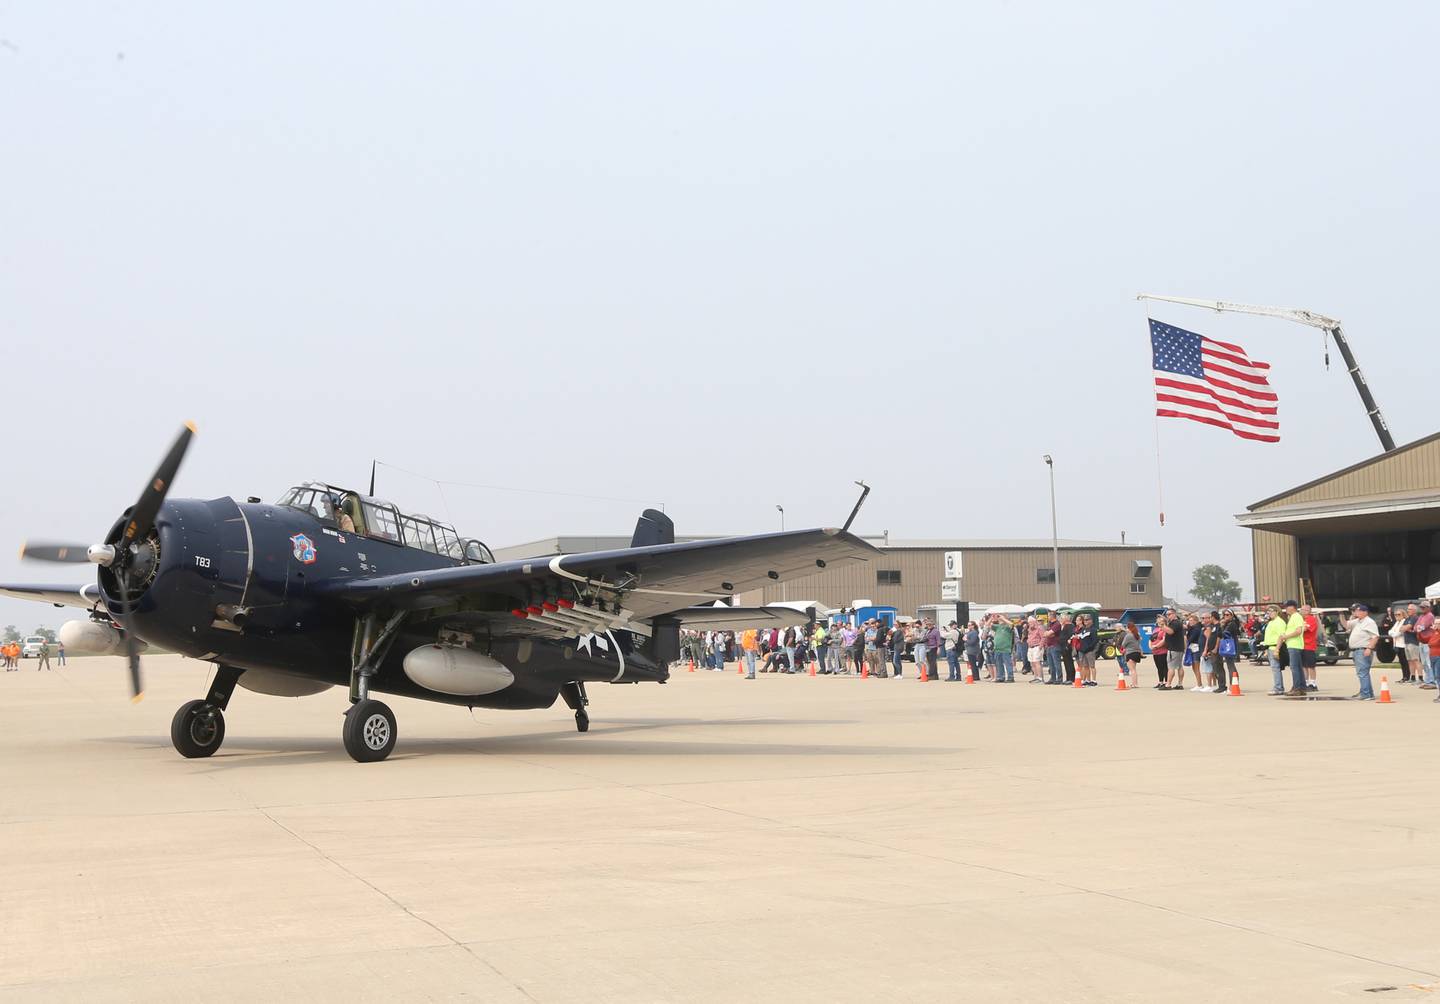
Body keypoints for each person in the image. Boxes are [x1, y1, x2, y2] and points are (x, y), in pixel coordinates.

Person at [1338, 604, 1378, 700]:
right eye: (1355, 611)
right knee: (1363, 672)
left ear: (1365, 612)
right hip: (1357, 650)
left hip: (1363, 649)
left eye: (1357, 611)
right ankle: (1368, 693)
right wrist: (1341, 615)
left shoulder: (1369, 622)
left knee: (1362, 673)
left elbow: (1375, 636)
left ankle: (1366, 694)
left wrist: (1369, 648)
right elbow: (1346, 625)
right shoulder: (1357, 621)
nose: (1355, 612)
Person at [1278, 600, 1308, 696]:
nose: (1285, 609)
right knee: (1298, 667)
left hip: (1294, 645)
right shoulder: (1294, 617)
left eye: (1286, 607)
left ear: (1292, 607)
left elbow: (1298, 631)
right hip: (1295, 645)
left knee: (1294, 667)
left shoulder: (1296, 617)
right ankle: (1302, 687)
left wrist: (1286, 637)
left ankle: (1297, 688)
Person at [1262, 605, 1288, 694]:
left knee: (1276, 668)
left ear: (1277, 612)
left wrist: (1277, 649)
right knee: (1275, 668)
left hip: (1275, 647)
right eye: (1268, 611)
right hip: (1270, 647)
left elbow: (1281, 636)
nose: (1269, 613)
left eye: (1271, 611)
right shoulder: (1271, 622)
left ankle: (1278, 688)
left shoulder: (1279, 622)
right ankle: (1278, 686)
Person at [1216, 609, 1242, 694]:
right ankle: (1234, 683)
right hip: (1230, 645)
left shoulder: (1232, 624)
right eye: (1224, 615)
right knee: (1230, 665)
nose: (1225, 616)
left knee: (1230, 665)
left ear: (1232, 615)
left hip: (1231, 646)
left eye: (1227, 615)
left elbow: (1223, 634)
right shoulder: (1230, 623)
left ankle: (1233, 685)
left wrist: (1221, 626)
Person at [1416, 602, 1437, 689]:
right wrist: (1418, 627)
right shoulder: (1421, 616)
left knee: (1429, 662)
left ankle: (1432, 681)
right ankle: (1427, 680)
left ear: (1429, 608)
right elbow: (1415, 627)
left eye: (1424, 607)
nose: (1422, 609)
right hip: (1421, 641)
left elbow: (1422, 627)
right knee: (1424, 662)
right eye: (1421, 607)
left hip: (1428, 641)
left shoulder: (1430, 616)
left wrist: (1419, 627)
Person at [1299, 603, 1320, 691]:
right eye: (1301, 609)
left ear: (1308, 611)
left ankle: (1313, 683)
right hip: (1302, 645)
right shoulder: (1301, 619)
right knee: (1304, 666)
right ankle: (1306, 682)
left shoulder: (1311, 619)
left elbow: (1306, 629)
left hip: (1309, 646)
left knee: (1310, 666)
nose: (1301, 611)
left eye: (1303, 610)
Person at [1074, 614, 1098, 686]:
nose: (1085, 621)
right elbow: (1081, 638)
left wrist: (1090, 648)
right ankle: (1087, 680)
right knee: (1085, 666)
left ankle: (1094, 680)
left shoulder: (1093, 629)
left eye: (1087, 620)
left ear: (1091, 620)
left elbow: (1094, 641)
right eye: (1084, 620)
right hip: (1083, 651)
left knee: (1092, 666)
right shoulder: (1084, 629)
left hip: (1090, 651)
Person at [991, 615, 1015, 683]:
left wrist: (1003, 618)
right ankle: (1000, 677)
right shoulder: (997, 627)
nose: (999, 619)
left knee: (1008, 663)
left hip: (1005, 648)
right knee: (999, 664)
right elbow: (987, 625)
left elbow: (1011, 624)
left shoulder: (1008, 627)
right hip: (997, 648)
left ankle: (1010, 677)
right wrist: (991, 618)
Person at [1149, 618, 1169, 689]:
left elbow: (1164, 640)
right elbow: (1150, 639)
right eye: (1158, 621)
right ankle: (1160, 682)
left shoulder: (1165, 629)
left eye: (1160, 621)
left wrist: (1156, 646)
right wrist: (1151, 646)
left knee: (1164, 667)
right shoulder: (1155, 629)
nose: (1159, 623)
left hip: (1163, 651)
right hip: (1155, 652)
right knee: (1159, 667)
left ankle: (1166, 682)